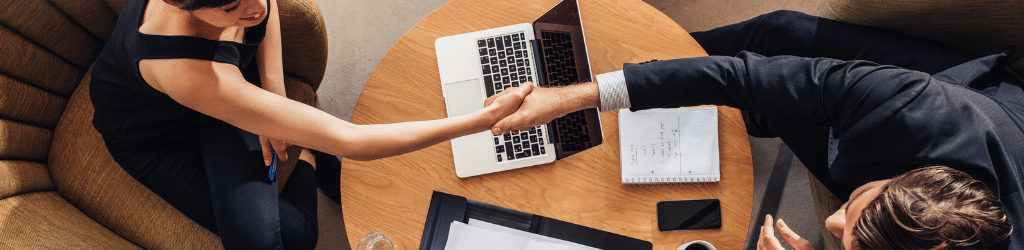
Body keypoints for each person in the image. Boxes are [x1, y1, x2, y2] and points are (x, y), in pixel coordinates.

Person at [487, 11, 1021, 249]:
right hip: (964, 98)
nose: (829, 222)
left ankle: (730, 120)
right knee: (776, 35)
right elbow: (745, 75)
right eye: (853, 213)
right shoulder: (907, 103)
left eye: (850, 242)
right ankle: (636, 59)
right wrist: (579, 95)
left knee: (771, 113)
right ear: (905, 177)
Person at [90, 0, 531, 249]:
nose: (255, 9)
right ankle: (311, 160)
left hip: (229, 98)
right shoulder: (182, 70)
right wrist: (484, 118)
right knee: (285, 242)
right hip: (155, 137)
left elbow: (266, 9)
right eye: (232, 8)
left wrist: (275, 99)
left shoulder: (241, 5)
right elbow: (352, 139)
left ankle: (299, 142)